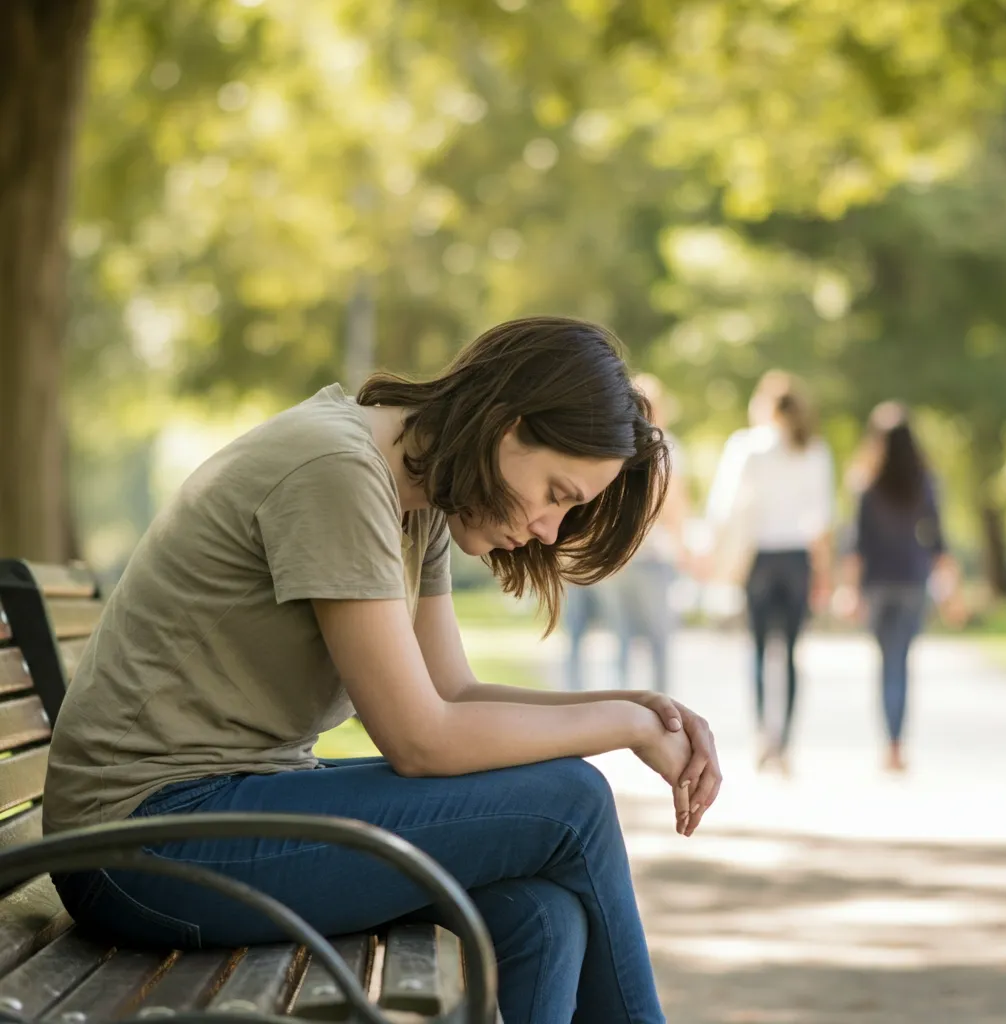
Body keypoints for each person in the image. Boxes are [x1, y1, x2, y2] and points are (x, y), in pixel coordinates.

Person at [43, 316, 723, 1024]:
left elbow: (452, 693)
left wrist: (638, 706)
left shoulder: (416, 493)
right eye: (557, 492)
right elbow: (420, 739)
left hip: (215, 813)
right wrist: (621, 727)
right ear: (507, 427)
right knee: (572, 801)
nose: (549, 529)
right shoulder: (338, 471)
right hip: (141, 845)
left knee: (540, 912)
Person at [706, 371, 834, 773]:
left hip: (760, 556)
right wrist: (824, 574)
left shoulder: (747, 447)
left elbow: (723, 507)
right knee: (793, 653)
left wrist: (715, 555)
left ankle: (764, 732)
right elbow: (823, 518)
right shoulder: (814, 450)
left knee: (760, 650)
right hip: (797, 558)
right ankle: (786, 743)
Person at [835, 401, 961, 773]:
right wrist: (952, 591)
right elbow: (938, 541)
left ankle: (889, 743)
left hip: (877, 584)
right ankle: (895, 744)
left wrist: (850, 590)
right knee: (900, 662)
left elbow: (855, 545)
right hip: (911, 581)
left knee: (886, 662)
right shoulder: (925, 481)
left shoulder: (865, 482)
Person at [597, 373, 689, 695]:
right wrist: (683, 551)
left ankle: (621, 704)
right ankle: (662, 706)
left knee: (621, 638)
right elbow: (675, 508)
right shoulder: (669, 449)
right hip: (650, 557)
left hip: (621, 555)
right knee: (658, 639)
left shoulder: (613, 446)